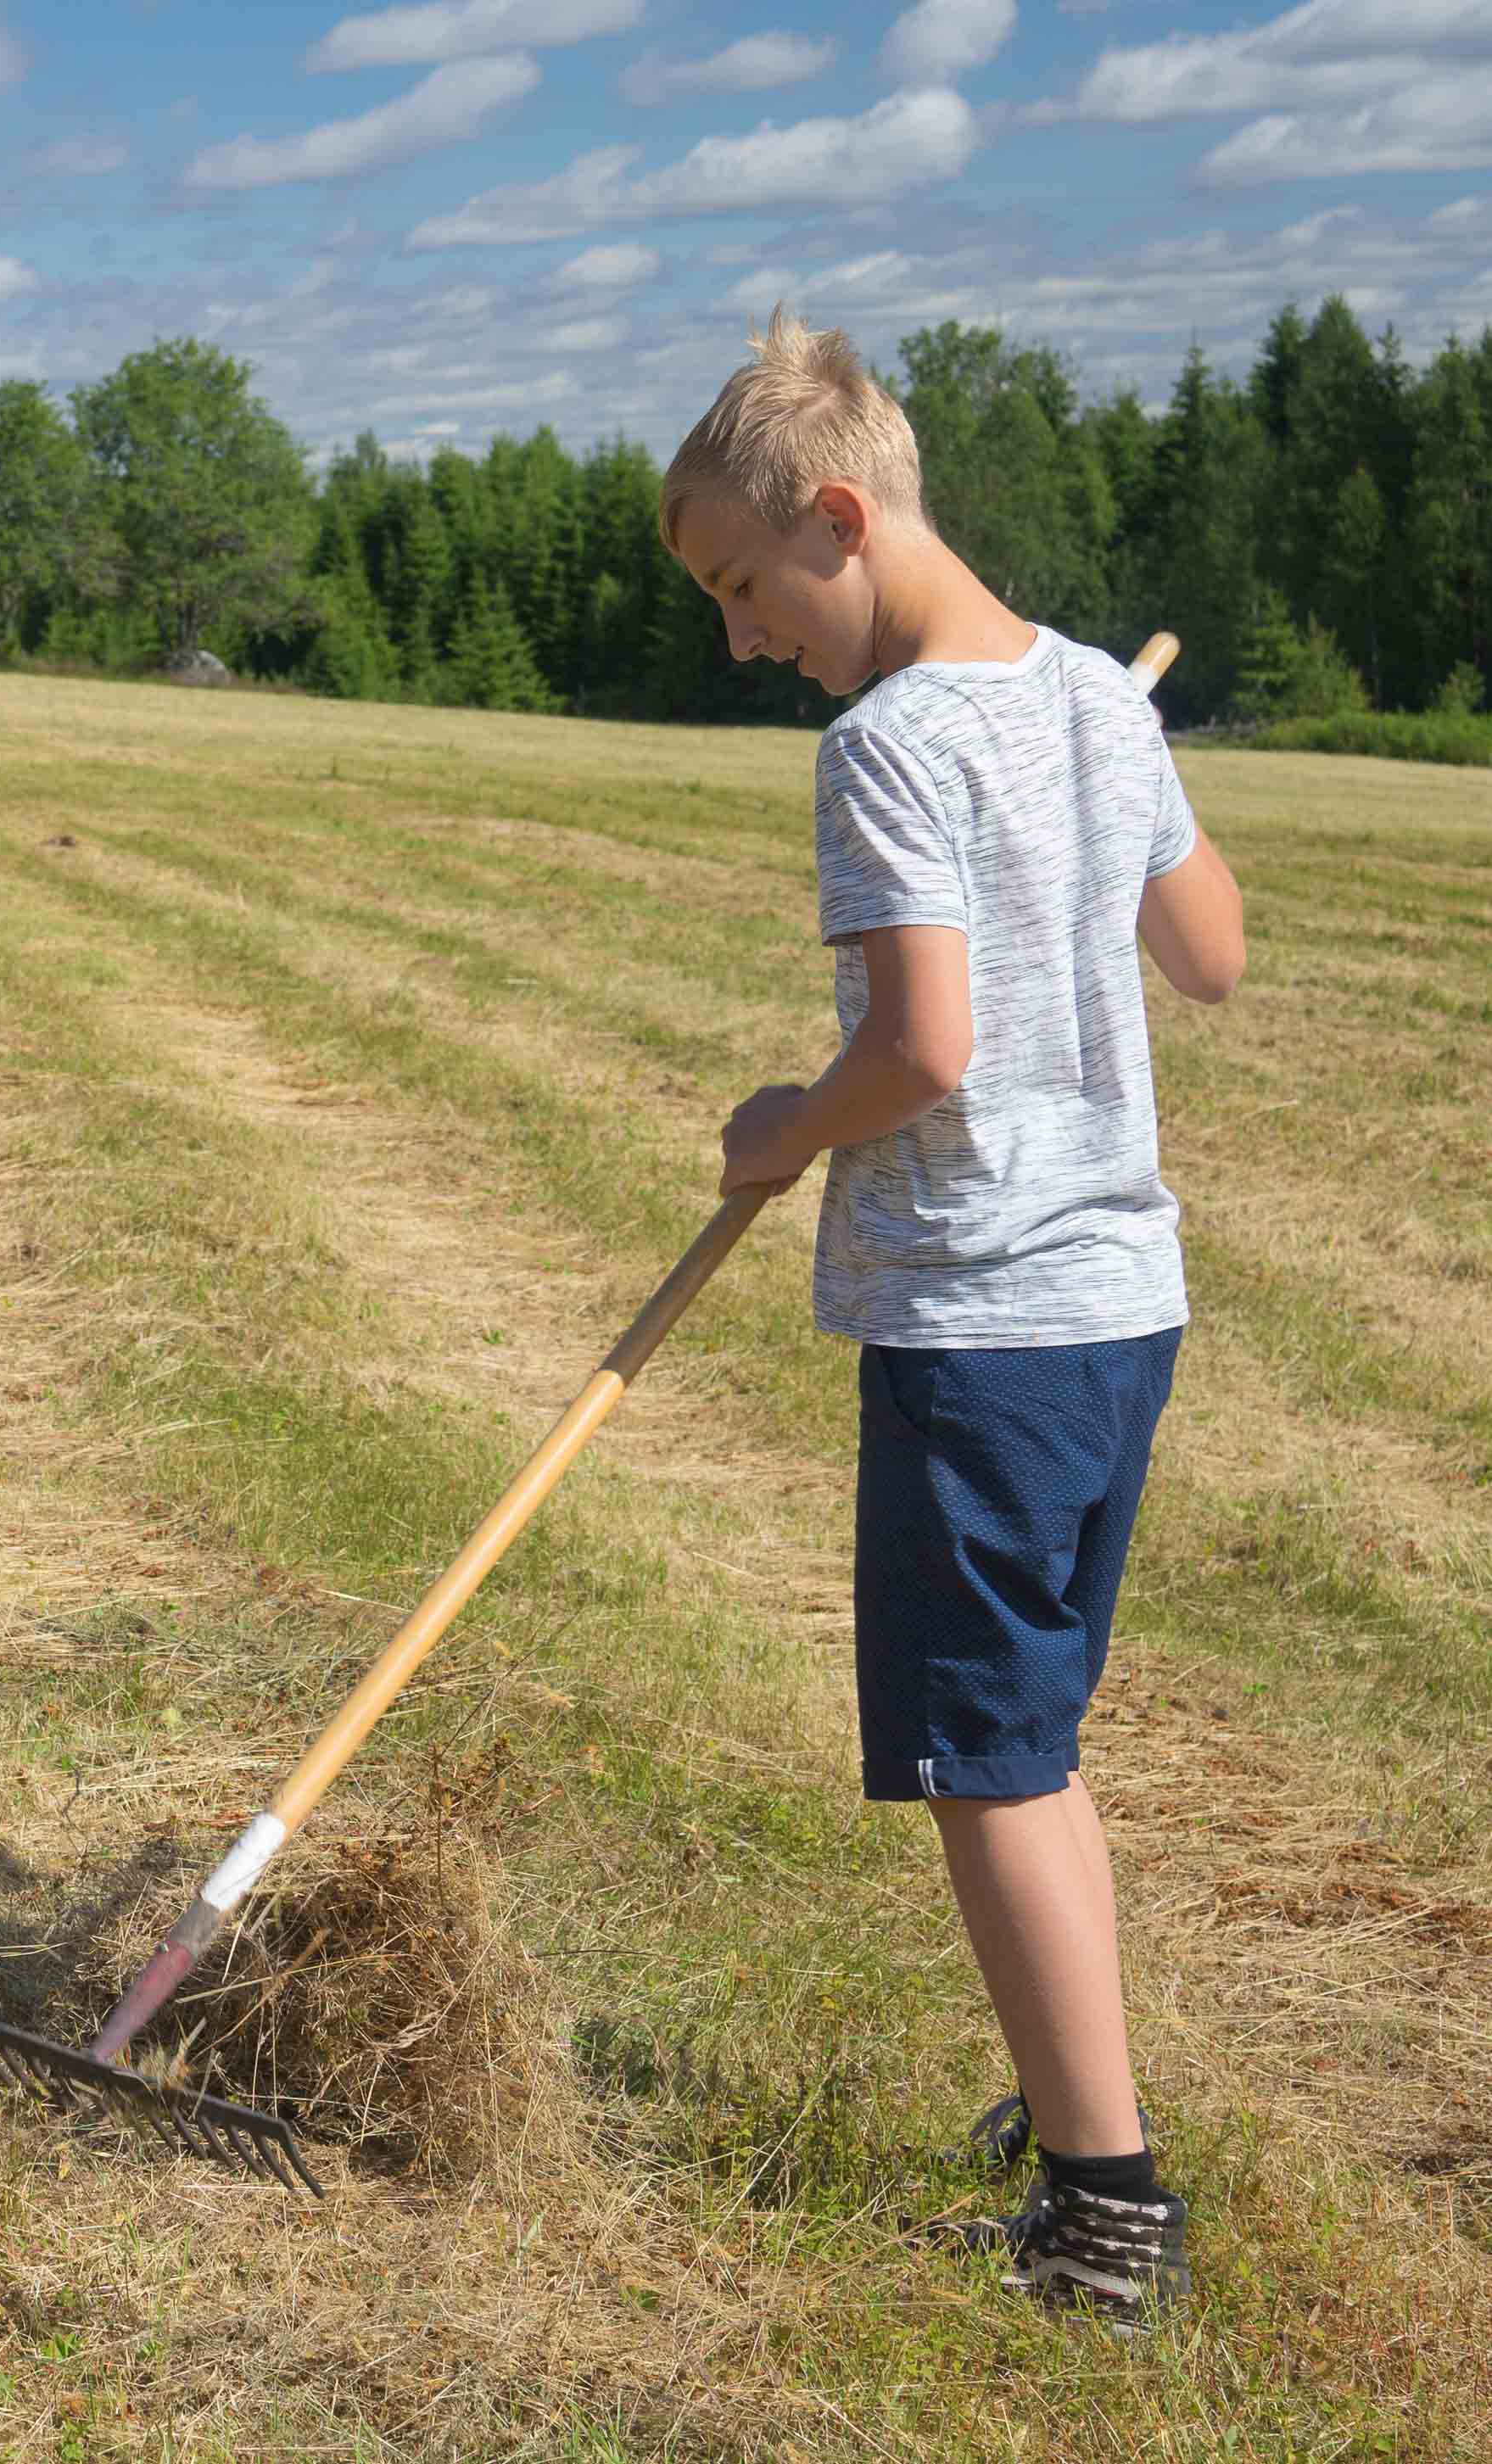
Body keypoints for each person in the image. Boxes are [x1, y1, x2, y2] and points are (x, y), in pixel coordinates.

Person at [667, 309, 1246, 2333]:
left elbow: (917, 1048)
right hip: (1118, 1307)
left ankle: (1104, 2209)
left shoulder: (887, 745)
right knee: (1033, 1739)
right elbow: (1213, 953)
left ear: (834, 519)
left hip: (983, 1320)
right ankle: (1063, 2085)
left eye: (744, 591)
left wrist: (775, 1129)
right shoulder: (1091, 698)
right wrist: (1113, 792)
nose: (743, 641)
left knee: (984, 1760)